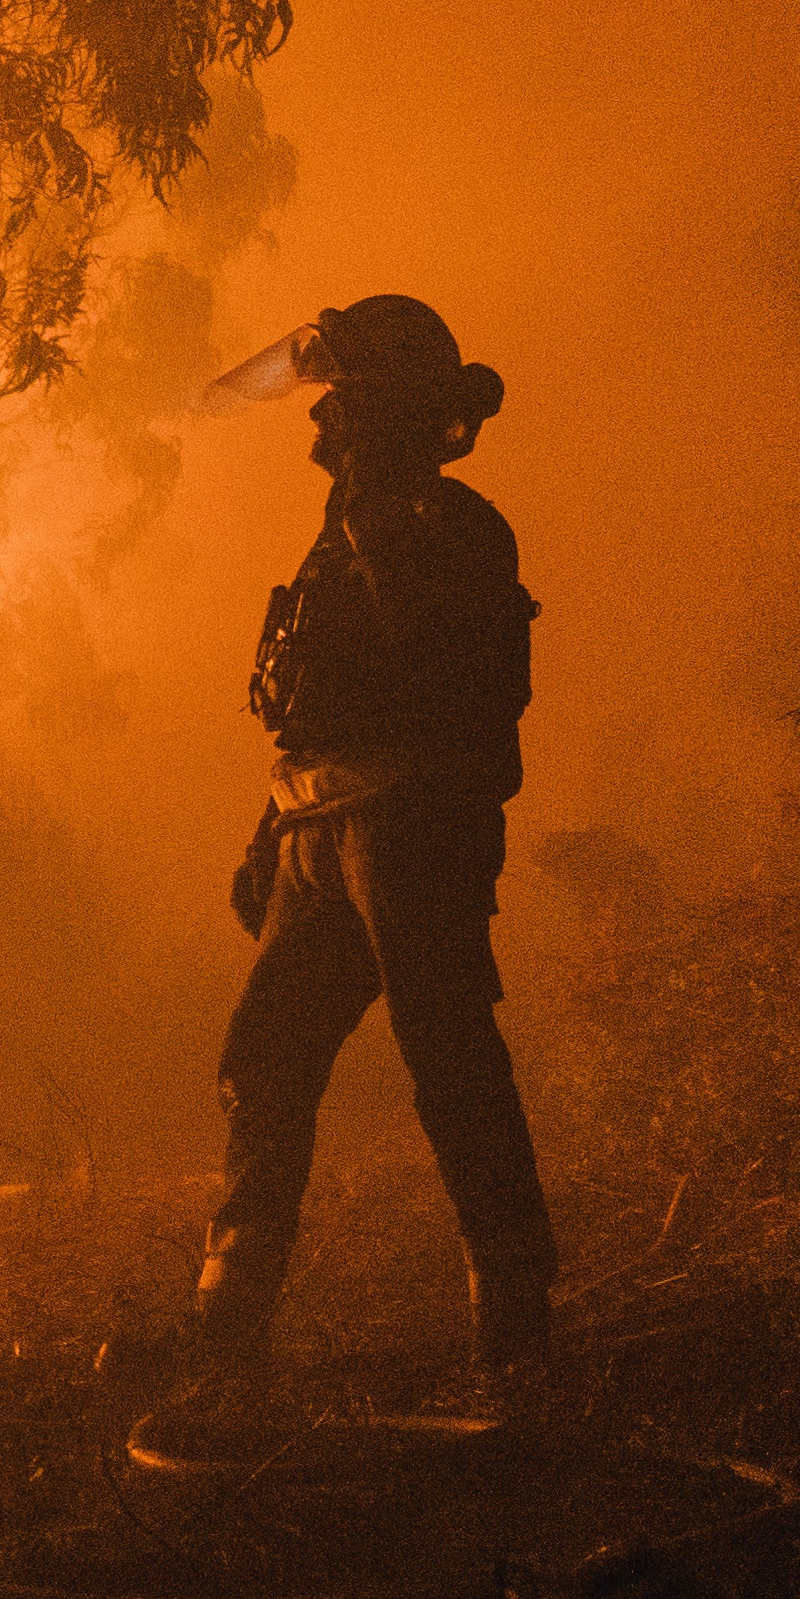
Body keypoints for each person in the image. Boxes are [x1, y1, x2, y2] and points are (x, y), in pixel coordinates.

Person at [181, 294, 560, 1401]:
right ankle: (226, 1318)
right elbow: (312, 702)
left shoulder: (453, 530)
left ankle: (515, 1313)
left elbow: (466, 690)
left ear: (386, 408)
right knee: (263, 1062)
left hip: (410, 832)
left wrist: (382, 530)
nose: (319, 428)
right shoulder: (337, 539)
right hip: (318, 832)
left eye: (341, 404)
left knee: (449, 1059)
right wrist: (273, 832)